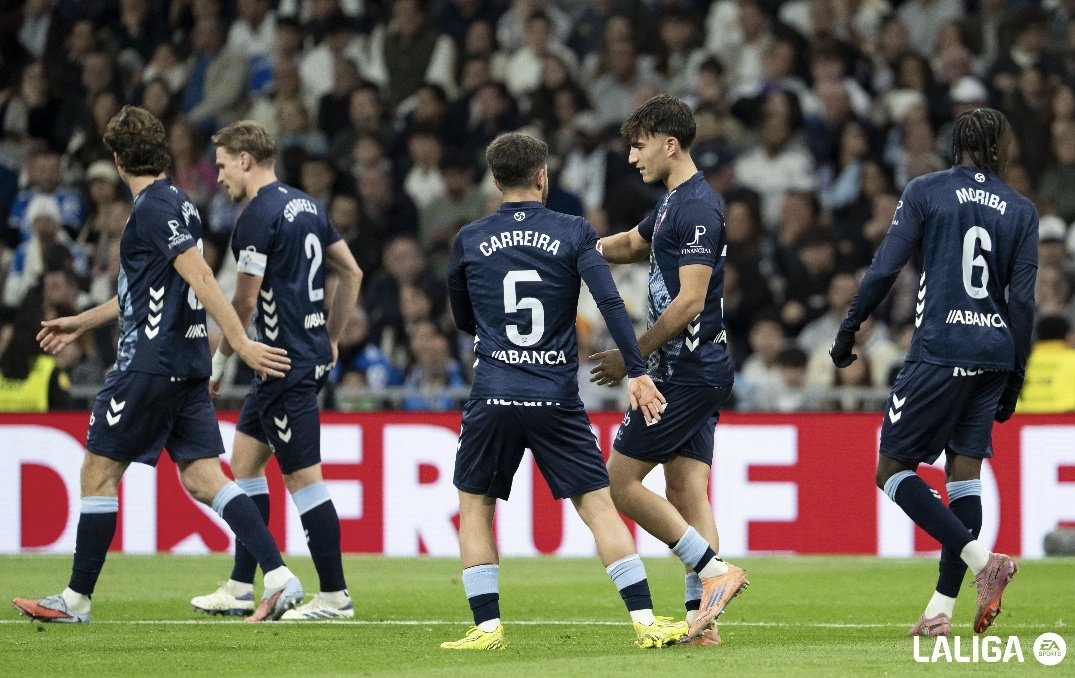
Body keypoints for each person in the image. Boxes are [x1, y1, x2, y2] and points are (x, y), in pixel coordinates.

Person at [12, 105, 303, 623]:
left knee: (98, 472)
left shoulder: (151, 209)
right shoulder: (179, 203)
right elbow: (145, 291)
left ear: (119, 158)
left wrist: (239, 341)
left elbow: (203, 279)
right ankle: (279, 577)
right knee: (203, 479)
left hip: (149, 363)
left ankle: (76, 600)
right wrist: (83, 320)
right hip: (184, 363)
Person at [443, 131, 685, 651]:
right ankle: (644, 620)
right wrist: (637, 370)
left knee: (475, 507)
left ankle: (487, 628)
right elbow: (612, 305)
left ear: (494, 179)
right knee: (598, 506)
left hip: (493, 394)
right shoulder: (575, 231)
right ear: (541, 176)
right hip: (554, 396)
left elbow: (463, 317)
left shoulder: (469, 238)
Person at [830, 108, 1037, 637]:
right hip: (993, 350)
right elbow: (1024, 304)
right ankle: (941, 609)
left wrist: (850, 325)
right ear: (996, 150)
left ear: (957, 148)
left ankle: (982, 560)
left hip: (941, 348)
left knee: (891, 470)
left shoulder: (927, 191)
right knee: (963, 476)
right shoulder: (1021, 209)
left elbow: (884, 267)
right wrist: (1014, 376)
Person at [590, 94, 749, 646]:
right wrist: (578, 248)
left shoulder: (699, 207)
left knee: (619, 482)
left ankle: (714, 574)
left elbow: (689, 303)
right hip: (697, 369)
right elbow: (633, 243)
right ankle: (701, 623)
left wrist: (631, 357)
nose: (633, 158)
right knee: (687, 490)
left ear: (669, 143)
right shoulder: (673, 205)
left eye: (638, 146)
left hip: (687, 369)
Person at [190, 120, 363, 620]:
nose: (218, 176)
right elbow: (351, 270)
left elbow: (243, 300)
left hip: (282, 363)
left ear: (246, 159)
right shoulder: (308, 205)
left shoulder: (256, 215)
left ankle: (335, 597)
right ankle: (242, 586)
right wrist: (331, 335)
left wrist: (222, 359)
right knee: (244, 465)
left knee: (304, 479)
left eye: (222, 165)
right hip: (296, 358)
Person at [1016, 316, 1075, 413]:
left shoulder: (1022, 361)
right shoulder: (1072, 359)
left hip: (1024, 420)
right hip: (1066, 420)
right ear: (1067, 336)